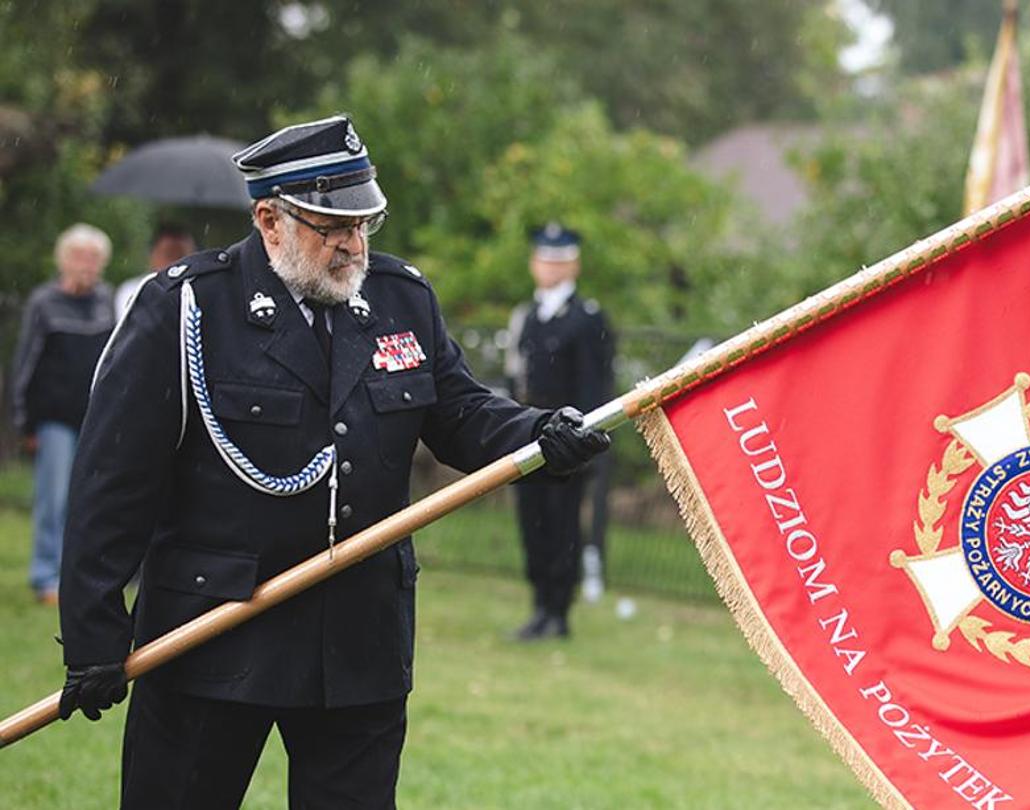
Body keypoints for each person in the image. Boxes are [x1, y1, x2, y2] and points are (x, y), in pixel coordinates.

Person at [54, 115, 613, 809]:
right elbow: (114, 479)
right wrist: (94, 632)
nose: (354, 244)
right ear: (269, 219)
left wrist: (539, 433)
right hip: (214, 631)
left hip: (357, 638)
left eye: (363, 224)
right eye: (332, 227)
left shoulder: (400, 297)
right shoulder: (189, 306)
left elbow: (461, 413)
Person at [506, 222, 614, 640]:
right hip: (531, 437)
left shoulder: (586, 319)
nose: (548, 268)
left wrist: (585, 443)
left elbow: (593, 386)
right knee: (533, 523)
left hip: (567, 443)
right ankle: (539, 604)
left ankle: (558, 609)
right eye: (543, 260)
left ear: (573, 265)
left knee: (562, 525)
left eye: (557, 261)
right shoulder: (529, 316)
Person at [12, 223, 117, 605]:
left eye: (93, 258)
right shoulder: (44, 302)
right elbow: (26, 362)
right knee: (53, 499)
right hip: (53, 418)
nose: (86, 264)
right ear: (64, 260)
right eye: (79, 257)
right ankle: (45, 575)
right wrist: (23, 420)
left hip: (95, 418)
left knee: (90, 500)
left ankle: (80, 575)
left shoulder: (106, 302)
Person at [115, 224, 197, 321]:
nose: (176, 262)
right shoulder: (132, 291)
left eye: (182, 256)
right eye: (169, 254)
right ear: (153, 255)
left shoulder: (200, 291)